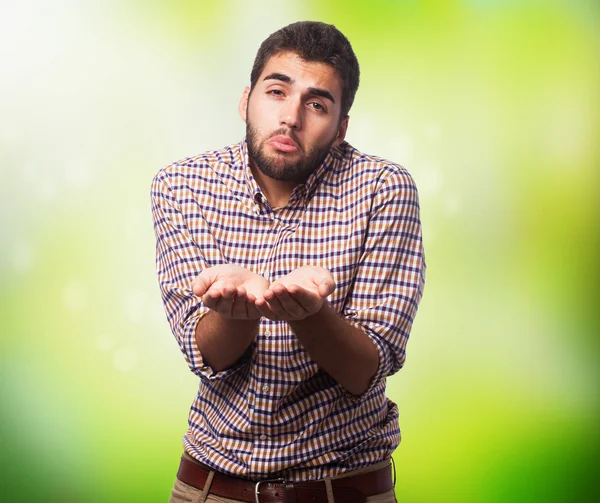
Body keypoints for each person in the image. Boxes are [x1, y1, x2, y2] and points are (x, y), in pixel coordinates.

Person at [152, 20, 425, 503]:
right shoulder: (180, 187)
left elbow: (366, 370)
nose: (291, 118)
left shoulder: (384, 190)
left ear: (340, 128)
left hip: (343, 488)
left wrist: (310, 314)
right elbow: (206, 356)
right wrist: (242, 306)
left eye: (316, 104)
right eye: (276, 91)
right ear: (246, 99)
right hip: (212, 487)